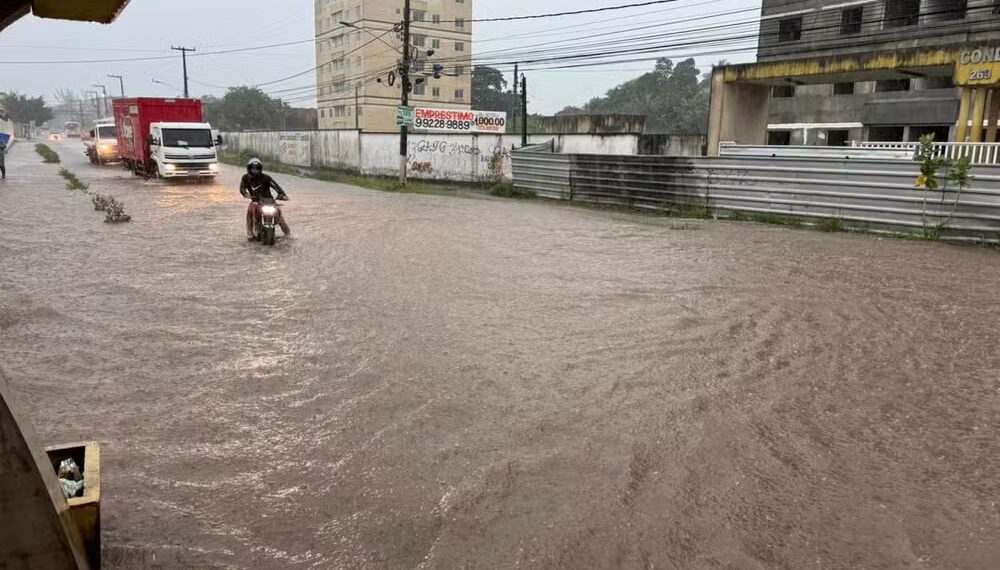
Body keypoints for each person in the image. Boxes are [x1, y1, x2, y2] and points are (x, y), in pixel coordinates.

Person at [239, 158, 290, 239]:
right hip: (255, 201)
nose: (255, 170)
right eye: (253, 168)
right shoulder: (245, 178)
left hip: (269, 201)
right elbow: (242, 188)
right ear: (249, 169)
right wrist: (245, 194)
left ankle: (288, 234)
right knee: (250, 210)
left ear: (260, 168)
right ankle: (250, 233)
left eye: (257, 168)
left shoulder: (266, 177)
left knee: (279, 214)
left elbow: (276, 186)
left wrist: (282, 195)